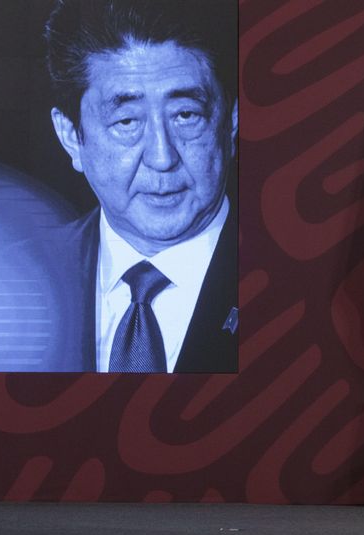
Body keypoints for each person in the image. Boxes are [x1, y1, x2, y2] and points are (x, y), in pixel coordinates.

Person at [44, 0, 238, 373]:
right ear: (71, 137)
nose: (162, 157)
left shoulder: (293, 283)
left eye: (186, 115)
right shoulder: (18, 284)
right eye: (127, 122)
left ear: (230, 121)